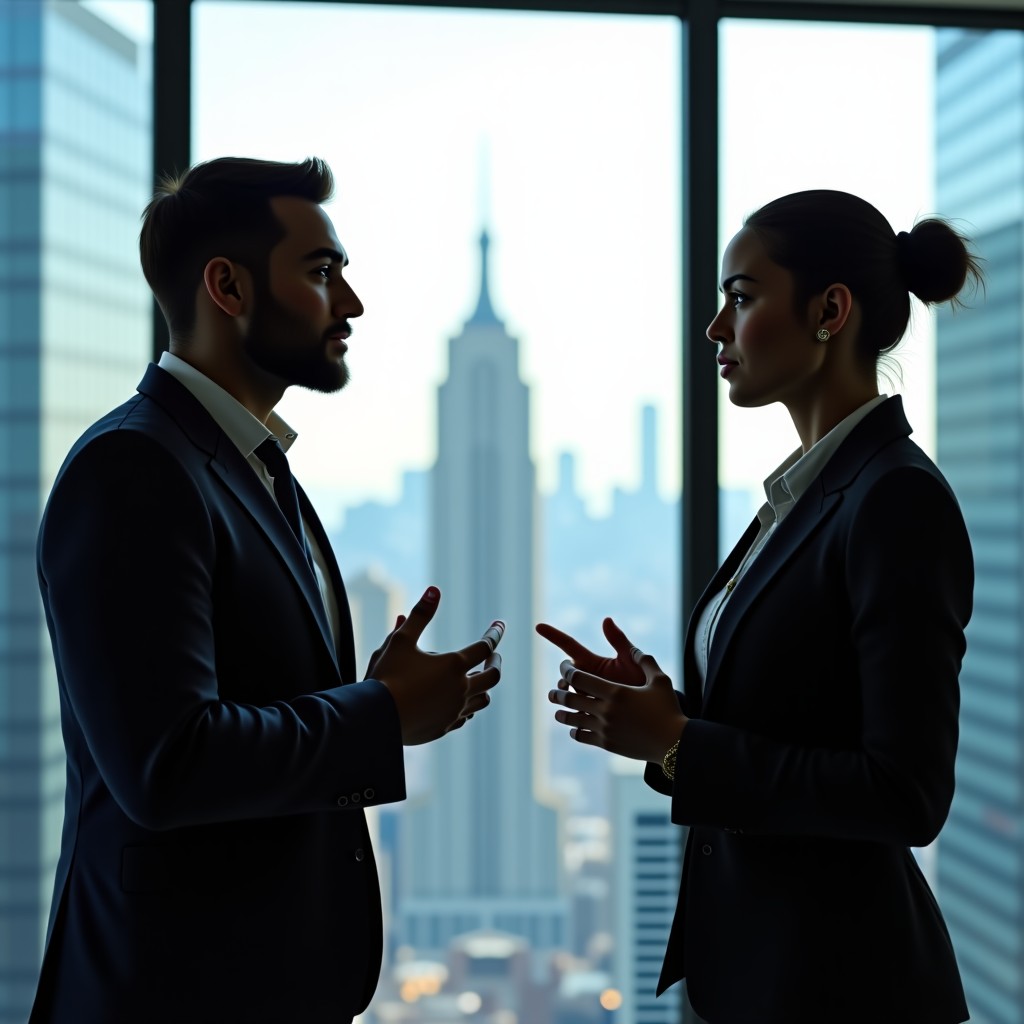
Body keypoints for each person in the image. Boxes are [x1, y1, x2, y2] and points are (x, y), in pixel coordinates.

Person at [30, 156, 503, 1024]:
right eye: (322, 272)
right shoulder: (133, 467)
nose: (351, 303)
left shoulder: (252, 465)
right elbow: (167, 764)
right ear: (228, 287)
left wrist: (373, 696)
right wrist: (381, 712)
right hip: (170, 996)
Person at [538, 189, 980, 1024]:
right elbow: (795, 719)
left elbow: (906, 793)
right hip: (769, 975)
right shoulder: (808, 494)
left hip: (847, 988)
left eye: (740, 298)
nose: (716, 327)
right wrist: (664, 715)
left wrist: (679, 742)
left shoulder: (895, 500)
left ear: (829, 312)